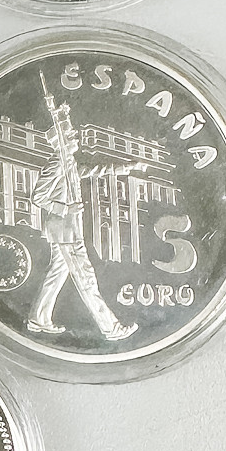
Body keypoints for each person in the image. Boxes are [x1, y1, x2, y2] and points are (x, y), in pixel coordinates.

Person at [27, 120, 147, 341]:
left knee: (56, 275)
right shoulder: (57, 164)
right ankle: (111, 328)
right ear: (61, 141)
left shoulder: (67, 163)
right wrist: (66, 208)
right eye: (71, 136)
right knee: (86, 278)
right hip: (66, 231)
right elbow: (38, 197)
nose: (76, 138)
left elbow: (92, 170)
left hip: (66, 230)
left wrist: (126, 167)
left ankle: (38, 319)